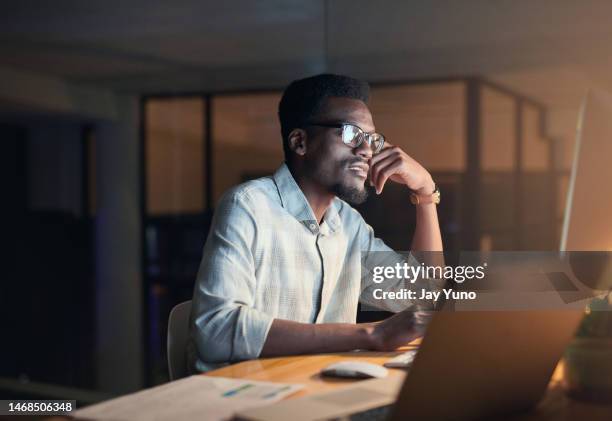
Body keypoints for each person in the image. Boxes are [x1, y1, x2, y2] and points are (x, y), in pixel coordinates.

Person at [188, 74, 443, 372]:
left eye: (371, 139)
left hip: (319, 390)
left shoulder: (348, 224)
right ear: (300, 141)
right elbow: (214, 329)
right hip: (248, 397)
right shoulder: (248, 205)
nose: (367, 151)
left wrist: (425, 192)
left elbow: (422, 295)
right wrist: (372, 334)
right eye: (351, 134)